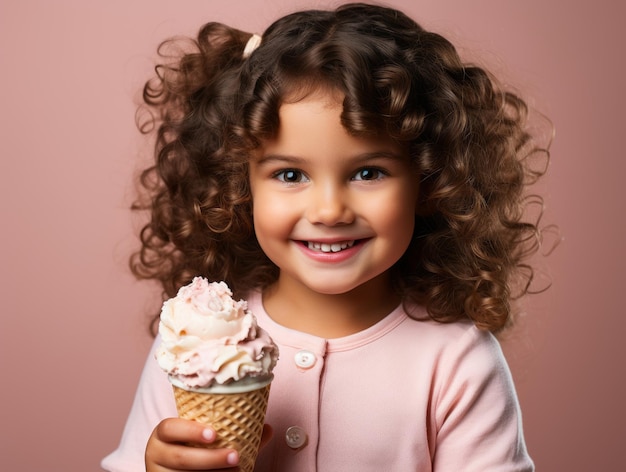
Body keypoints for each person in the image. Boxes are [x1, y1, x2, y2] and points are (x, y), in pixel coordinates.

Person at [102, 2, 551, 471]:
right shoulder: (194, 341)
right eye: (291, 175)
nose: (329, 210)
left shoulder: (457, 362)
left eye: (368, 171)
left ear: (429, 182)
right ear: (240, 186)